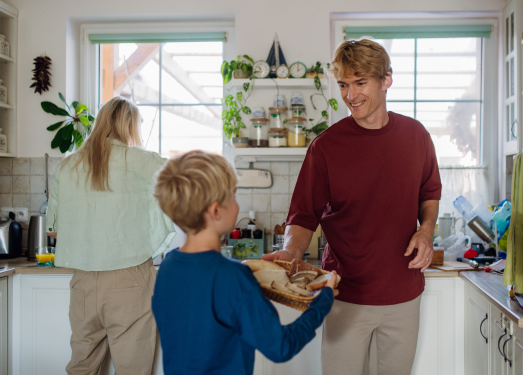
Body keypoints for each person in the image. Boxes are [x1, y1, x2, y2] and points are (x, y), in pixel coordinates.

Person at [263, 38, 442, 375]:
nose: (350, 95)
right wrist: (290, 252)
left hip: (403, 293)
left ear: (386, 79)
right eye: (344, 84)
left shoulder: (416, 136)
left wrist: (426, 230)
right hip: (345, 294)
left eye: (360, 82)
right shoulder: (325, 147)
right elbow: (303, 215)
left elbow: (429, 191)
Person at [151, 150, 338, 375]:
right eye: (233, 196)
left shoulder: (169, 266)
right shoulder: (234, 277)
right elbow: (281, 346)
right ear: (215, 210)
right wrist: (322, 301)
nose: (237, 205)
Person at [45, 97, 177, 374]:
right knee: (133, 368)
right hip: (130, 279)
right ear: (129, 126)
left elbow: (55, 229)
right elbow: (188, 184)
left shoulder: (68, 166)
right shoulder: (142, 160)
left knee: (82, 367)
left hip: (83, 282)